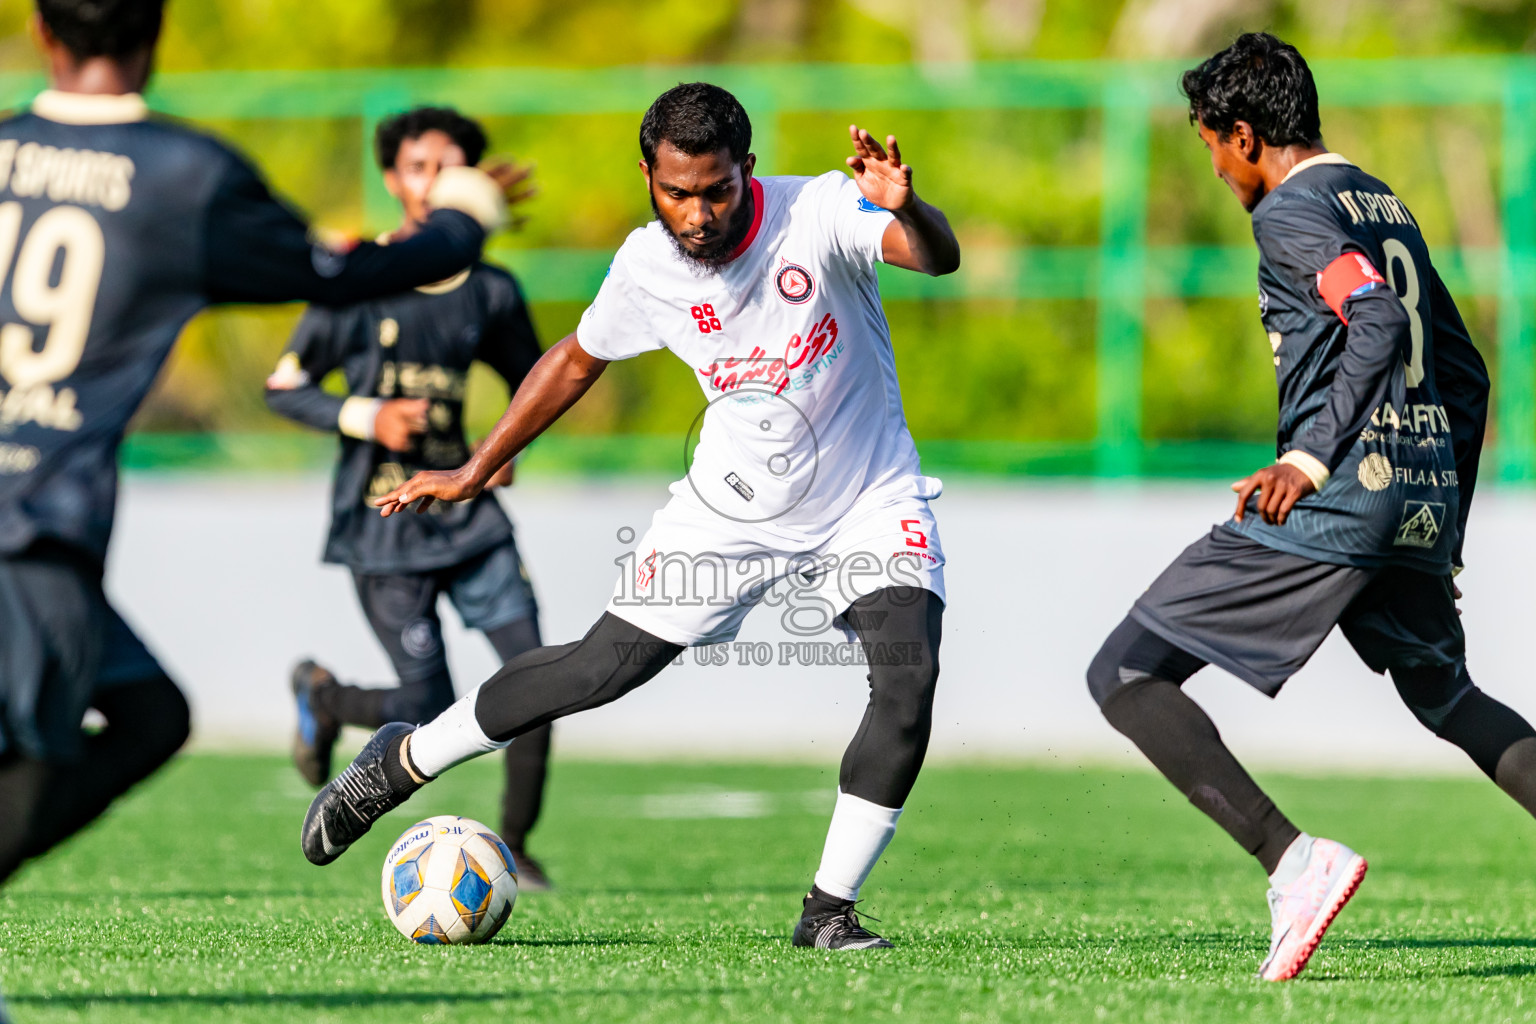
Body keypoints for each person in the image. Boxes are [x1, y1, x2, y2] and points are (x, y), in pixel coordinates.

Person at [301, 82, 961, 950]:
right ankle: (401, 761)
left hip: (867, 498)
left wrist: (910, 208)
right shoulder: (646, 265)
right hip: (730, 509)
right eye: (677, 192)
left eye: (717, 190)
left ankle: (827, 913)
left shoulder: (822, 211)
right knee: (596, 672)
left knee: (908, 676)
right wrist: (473, 468)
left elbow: (932, 257)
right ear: (649, 177)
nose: (698, 214)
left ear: (747, 171)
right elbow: (575, 361)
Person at [0, 0, 518, 901]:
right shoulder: (181, 178)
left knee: (150, 715)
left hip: (35, 541)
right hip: (28, 530)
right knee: (37, 753)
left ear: (43, 32)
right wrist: (466, 219)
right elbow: (350, 275)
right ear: (154, 34)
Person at [1086, 33, 1536, 982]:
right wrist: (1438, 520)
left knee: (1124, 673)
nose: (1213, 165)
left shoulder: (1291, 212)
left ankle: (1293, 863)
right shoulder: (1382, 203)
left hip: (1335, 501)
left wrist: (1305, 456)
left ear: (1243, 134)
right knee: (1448, 698)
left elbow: (1370, 319)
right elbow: (1467, 371)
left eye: (1211, 143)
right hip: (1414, 494)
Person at [265, 106, 555, 889]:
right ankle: (326, 700)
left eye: (454, 168)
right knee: (425, 707)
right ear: (394, 179)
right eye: (422, 166)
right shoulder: (357, 279)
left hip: (468, 518)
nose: (437, 182)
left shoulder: (491, 291)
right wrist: (367, 415)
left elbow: (540, 383)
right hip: (384, 522)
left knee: (535, 678)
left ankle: (518, 849)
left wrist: (505, 450)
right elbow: (283, 388)